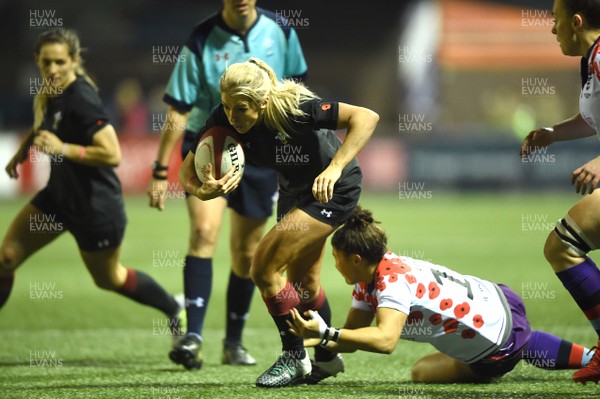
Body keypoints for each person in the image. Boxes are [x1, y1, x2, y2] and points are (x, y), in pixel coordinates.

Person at [180, 57, 379, 387]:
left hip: (332, 188)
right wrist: (201, 190)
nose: (232, 116)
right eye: (227, 107)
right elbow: (187, 172)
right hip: (293, 191)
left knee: (263, 267)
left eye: (241, 108)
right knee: (304, 286)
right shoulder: (224, 118)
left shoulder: (294, 108)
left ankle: (294, 356)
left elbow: (366, 117)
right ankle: (327, 358)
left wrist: (335, 168)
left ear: (264, 102)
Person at [147, 0, 308, 370]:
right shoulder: (202, 38)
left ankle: (233, 342)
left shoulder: (282, 30)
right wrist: (160, 169)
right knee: (203, 232)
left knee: (247, 254)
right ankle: (194, 338)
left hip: (262, 153)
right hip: (208, 145)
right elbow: (179, 108)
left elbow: (296, 89)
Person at [0, 28, 183, 340]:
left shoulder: (82, 99)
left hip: (95, 208)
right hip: (57, 199)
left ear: (74, 60)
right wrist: (23, 149)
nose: (52, 69)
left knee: (110, 278)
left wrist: (63, 149)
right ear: (38, 61)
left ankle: (173, 307)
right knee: (6, 258)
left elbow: (112, 153)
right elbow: (47, 123)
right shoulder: (52, 89)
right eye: (46, 62)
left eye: (59, 62)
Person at [288, 207, 595, 383]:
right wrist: (321, 337)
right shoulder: (375, 269)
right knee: (503, 339)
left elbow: (384, 341)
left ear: (355, 259)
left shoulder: (390, 283)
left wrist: (327, 332)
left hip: (497, 346)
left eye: (336, 256)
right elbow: (353, 337)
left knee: (421, 372)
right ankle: (592, 357)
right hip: (501, 299)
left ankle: (566, 356)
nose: (333, 262)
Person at [519, 0, 600, 384]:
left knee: (563, 246)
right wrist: (553, 133)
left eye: (556, 20)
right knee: (561, 246)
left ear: (577, 21)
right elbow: (591, 119)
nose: (553, 29)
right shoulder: (591, 60)